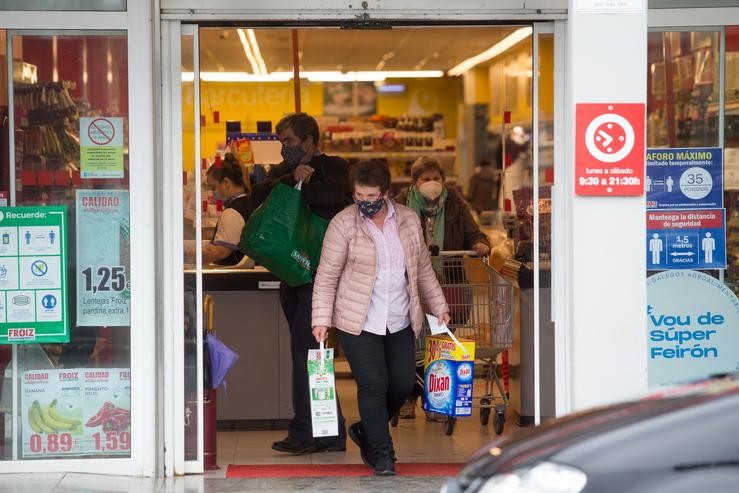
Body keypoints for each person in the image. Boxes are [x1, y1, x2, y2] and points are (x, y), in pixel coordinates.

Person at [312, 160, 450, 476]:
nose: (364, 201)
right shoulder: (343, 224)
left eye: (371, 195)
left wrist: (438, 305)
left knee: (402, 383)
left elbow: (422, 269)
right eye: (359, 195)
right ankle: (382, 452)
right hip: (358, 320)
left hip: (400, 317)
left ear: (385, 193)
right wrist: (321, 318)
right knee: (373, 384)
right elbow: (327, 275)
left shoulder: (407, 220)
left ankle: (366, 430)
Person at [252, 112, 351, 455]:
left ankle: (307, 431)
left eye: (290, 142)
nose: (285, 148)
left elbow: (330, 196)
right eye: (281, 142)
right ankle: (328, 431)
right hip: (293, 275)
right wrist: (291, 178)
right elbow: (257, 192)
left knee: (307, 353)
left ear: (309, 141)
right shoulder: (284, 172)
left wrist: (301, 185)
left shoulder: (333, 166)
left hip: (320, 276)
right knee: (310, 356)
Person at [395, 155, 491, 419]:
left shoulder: (457, 204)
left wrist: (480, 243)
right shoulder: (400, 204)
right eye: (426, 179)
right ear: (415, 182)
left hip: (449, 281)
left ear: (444, 180)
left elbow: (473, 232)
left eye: (436, 178)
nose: (432, 183)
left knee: (441, 339)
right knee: (411, 342)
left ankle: (437, 400)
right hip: (410, 283)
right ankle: (409, 397)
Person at [184, 154, 253, 266]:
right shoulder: (248, 202)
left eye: (214, 187)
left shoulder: (232, 212)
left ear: (226, 183)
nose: (213, 193)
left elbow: (221, 252)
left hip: (232, 277)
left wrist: (191, 254)